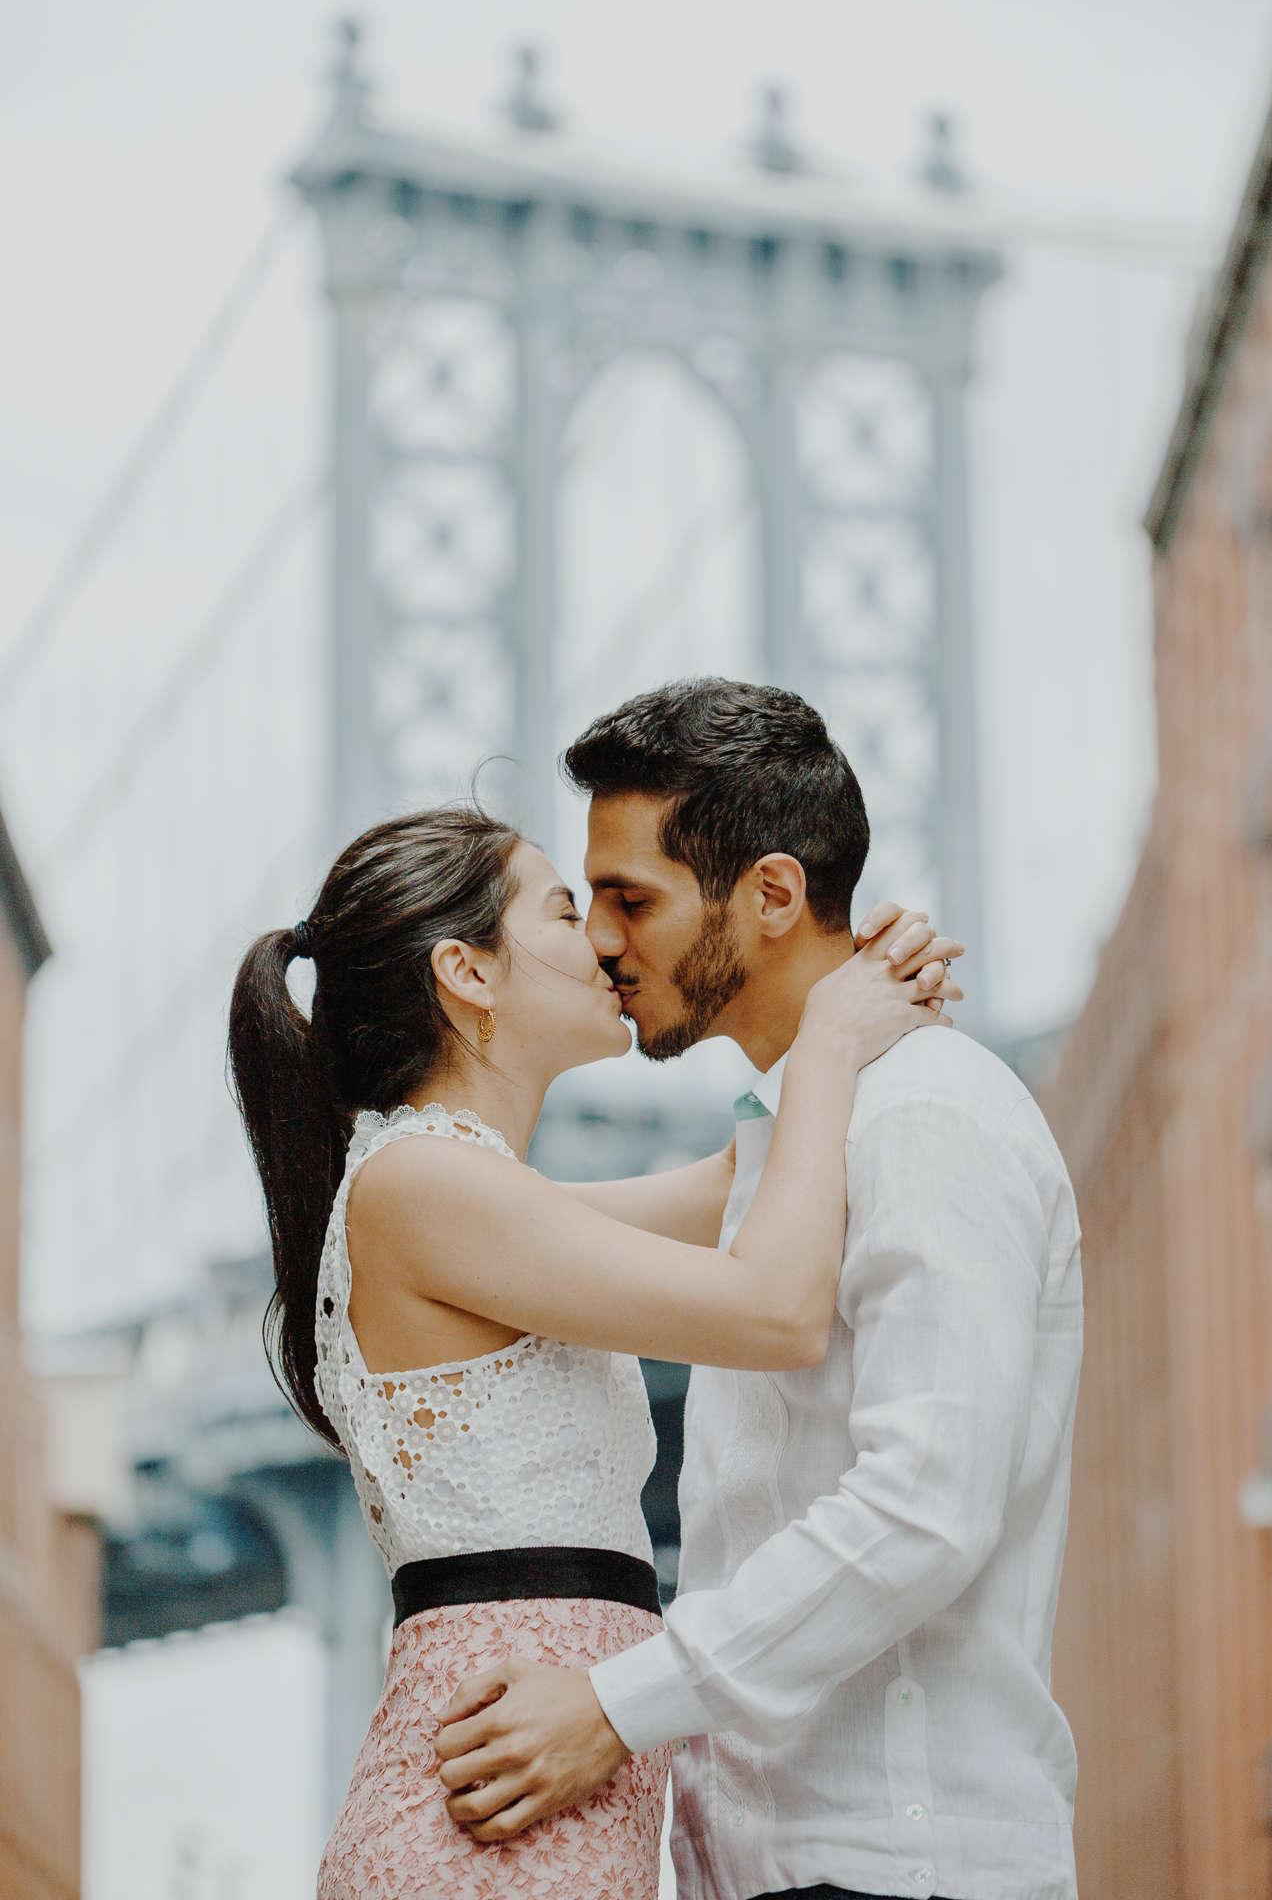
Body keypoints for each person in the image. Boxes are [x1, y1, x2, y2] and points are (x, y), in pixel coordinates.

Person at [227, 791, 960, 1900]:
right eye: (568, 913)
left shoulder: (475, 1192)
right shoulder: (421, 1183)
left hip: (536, 1792)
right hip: (486, 1809)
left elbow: (734, 1187)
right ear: (468, 973)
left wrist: (839, 1002)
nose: (609, 941)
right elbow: (773, 1307)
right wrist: (828, 1049)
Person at [433, 678, 1084, 1900]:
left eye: (632, 897)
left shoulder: (929, 1113)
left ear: (773, 893)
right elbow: (525, 1243)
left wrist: (613, 1707)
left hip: (901, 1861)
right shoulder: (786, 1141)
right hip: (762, 1863)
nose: (604, 941)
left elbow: (924, 1506)